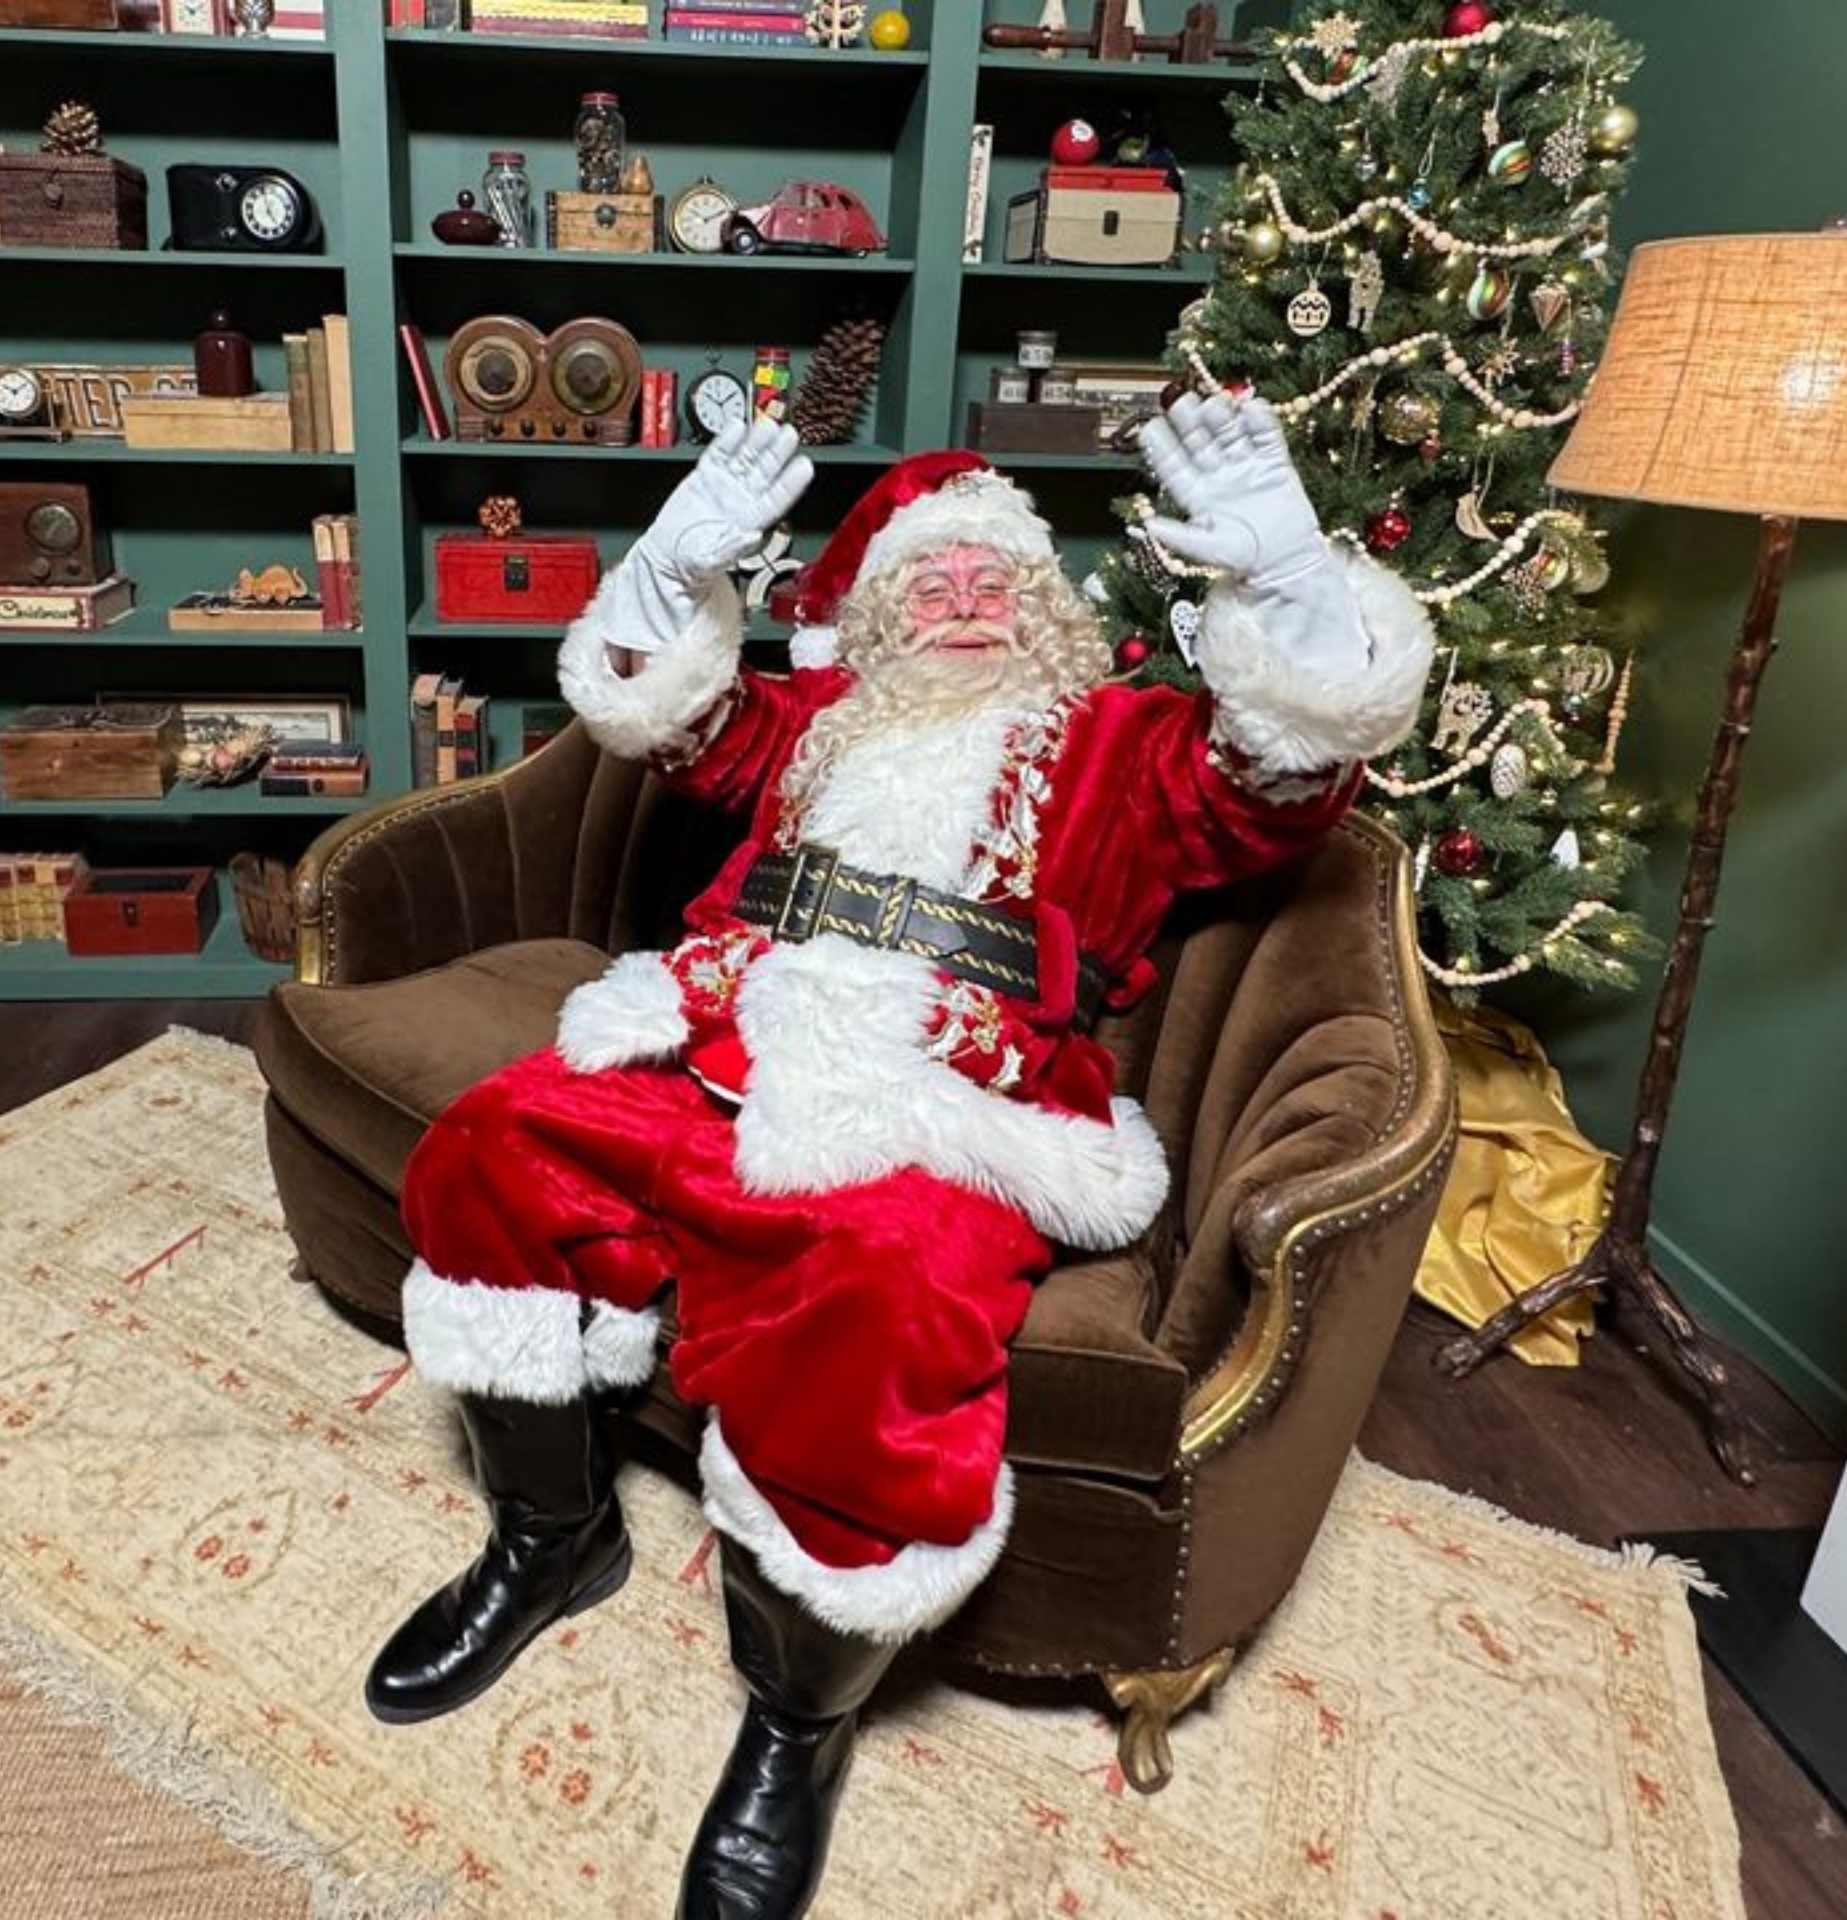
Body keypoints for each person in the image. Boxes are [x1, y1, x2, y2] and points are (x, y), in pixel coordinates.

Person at [363, 392, 1434, 1918]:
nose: (961, 601)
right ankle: (553, 1540)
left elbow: (1283, 778)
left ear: (1050, 609)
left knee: (883, 1301)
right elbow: (659, 713)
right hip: (719, 1037)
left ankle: (797, 1724)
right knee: (494, 1147)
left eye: (993, 579)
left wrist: (1294, 590)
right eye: (927, 582)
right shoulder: (812, 727)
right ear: (872, 621)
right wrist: (672, 572)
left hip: (957, 1097)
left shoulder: (1132, 743)